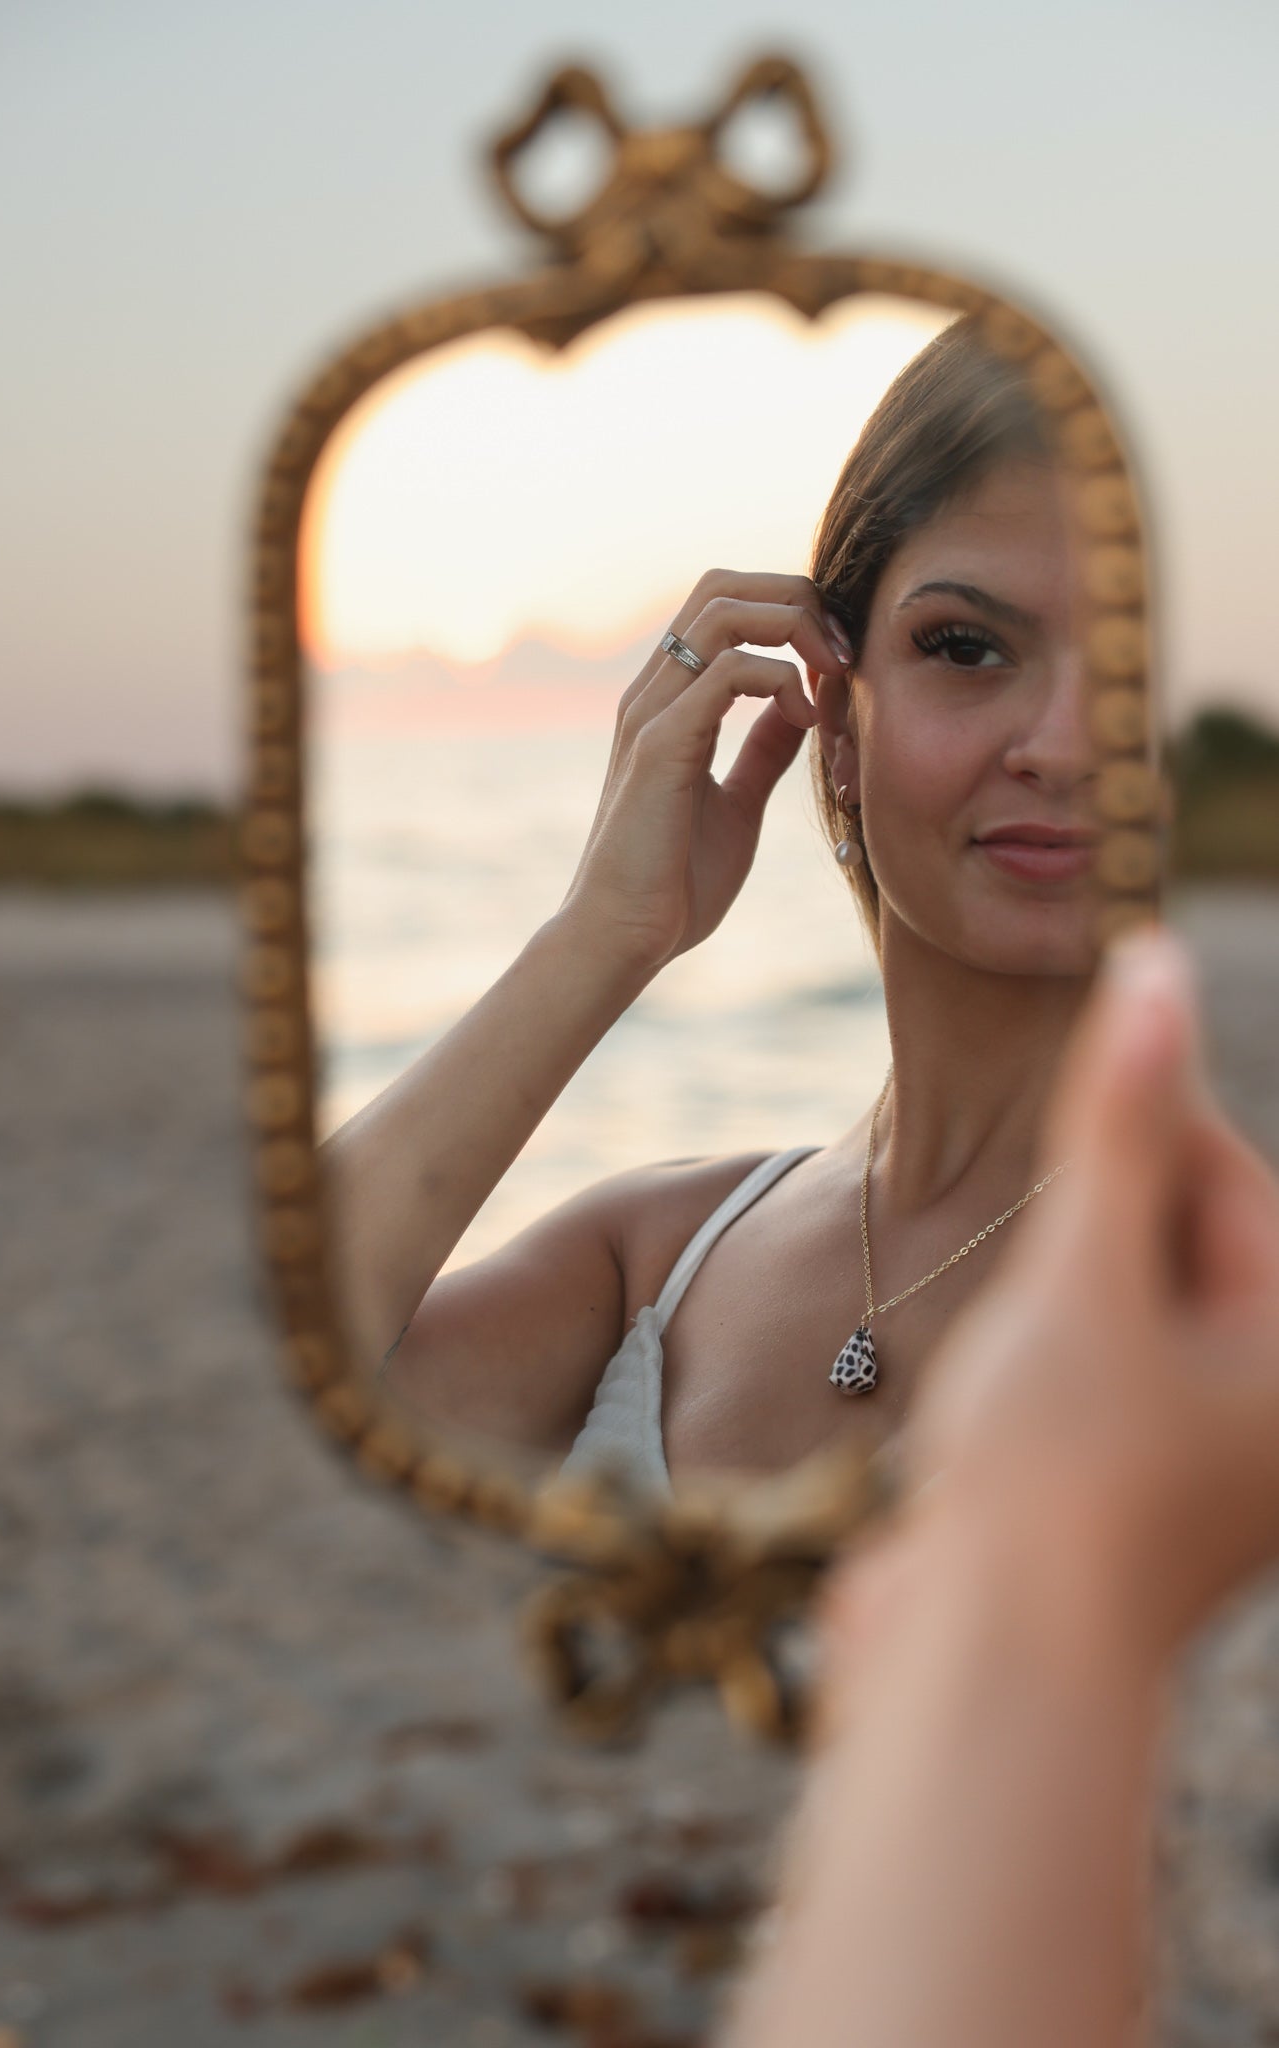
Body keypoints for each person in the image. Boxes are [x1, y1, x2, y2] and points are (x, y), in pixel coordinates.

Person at [322, 322, 1099, 1486]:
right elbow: (260, 1368)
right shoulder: (657, 1252)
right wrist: (602, 934)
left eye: (1133, 665)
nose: (1065, 743)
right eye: (968, 646)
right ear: (837, 723)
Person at [724, 926, 1279, 2048]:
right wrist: (612, 931)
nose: (1041, 747)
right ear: (837, 758)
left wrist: (1043, 1572)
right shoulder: (654, 1226)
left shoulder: (1144, 1288)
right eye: (960, 726)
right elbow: (361, 1326)